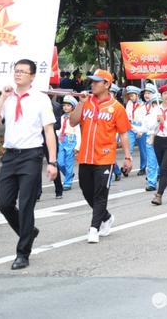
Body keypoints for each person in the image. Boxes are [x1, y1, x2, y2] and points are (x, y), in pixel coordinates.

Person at [0, 59, 57, 270]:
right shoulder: (8, 97)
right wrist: (3, 97)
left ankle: (22, 252)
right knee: (4, 202)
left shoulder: (40, 99)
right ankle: (28, 231)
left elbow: (49, 132)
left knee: (26, 204)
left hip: (31, 156)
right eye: (16, 71)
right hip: (10, 156)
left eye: (23, 72)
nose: (18, 75)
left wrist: (52, 162)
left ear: (32, 76)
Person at [69, 69, 131, 244]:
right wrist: (80, 104)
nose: (93, 84)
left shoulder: (116, 108)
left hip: (105, 158)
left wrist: (127, 157)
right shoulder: (86, 102)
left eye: (97, 81)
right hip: (86, 156)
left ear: (107, 84)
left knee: (100, 194)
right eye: (92, 81)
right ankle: (106, 217)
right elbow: (73, 121)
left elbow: (124, 133)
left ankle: (94, 228)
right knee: (86, 189)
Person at [57, 96, 80, 191]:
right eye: (64, 105)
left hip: (71, 140)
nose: (65, 107)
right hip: (62, 140)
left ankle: (67, 183)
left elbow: (78, 133)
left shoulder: (75, 118)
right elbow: (59, 128)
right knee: (60, 162)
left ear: (73, 107)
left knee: (69, 163)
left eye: (68, 105)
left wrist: (78, 146)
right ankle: (68, 175)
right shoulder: (62, 117)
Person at [125, 85, 147, 174]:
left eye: (132, 95)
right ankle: (126, 167)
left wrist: (141, 131)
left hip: (140, 128)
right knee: (129, 148)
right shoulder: (129, 104)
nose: (131, 97)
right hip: (131, 127)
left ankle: (143, 167)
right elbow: (127, 115)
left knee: (143, 150)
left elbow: (144, 119)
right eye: (129, 96)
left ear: (137, 95)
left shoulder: (143, 105)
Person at [143, 88, 160, 190]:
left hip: (162, 140)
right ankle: (152, 183)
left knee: (160, 162)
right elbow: (146, 127)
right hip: (150, 140)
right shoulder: (148, 116)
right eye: (153, 104)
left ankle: (160, 174)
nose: (155, 106)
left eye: (158, 103)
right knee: (151, 162)